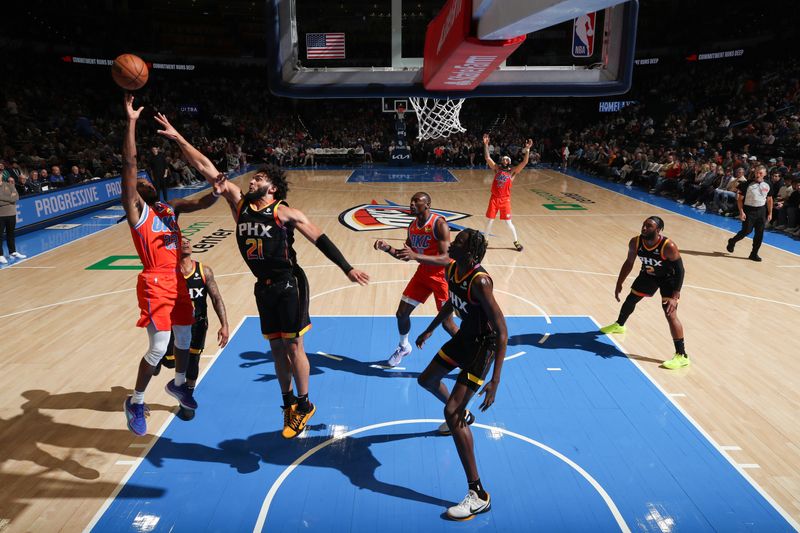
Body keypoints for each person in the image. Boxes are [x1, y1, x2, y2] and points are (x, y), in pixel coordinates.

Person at [154, 112, 370, 439]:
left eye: (258, 179)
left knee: (294, 346)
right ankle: (287, 406)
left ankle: (304, 402)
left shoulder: (285, 212)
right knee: (276, 350)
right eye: (252, 178)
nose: (251, 181)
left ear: (272, 187)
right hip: (263, 287)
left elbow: (320, 238)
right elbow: (206, 168)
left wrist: (347, 267)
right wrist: (178, 138)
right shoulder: (238, 204)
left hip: (289, 283)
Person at [120, 94, 223, 436]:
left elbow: (202, 202)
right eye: (140, 181)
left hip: (177, 281)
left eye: (147, 180)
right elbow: (131, 163)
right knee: (159, 347)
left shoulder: (169, 207)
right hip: (155, 282)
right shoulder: (138, 214)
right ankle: (135, 401)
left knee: (185, 334)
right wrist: (132, 121)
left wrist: (217, 191)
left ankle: (178, 384)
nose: (145, 180)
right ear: (134, 191)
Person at [414, 228, 507, 520]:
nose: (452, 244)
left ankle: (478, 494)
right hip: (464, 338)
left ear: (469, 252)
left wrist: (495, 381)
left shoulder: (481, 282)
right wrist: (431, 327)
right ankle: (461, 418)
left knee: (451, 410)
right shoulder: (454, 268)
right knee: (426, 379)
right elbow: (451, 305)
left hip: (483, 347)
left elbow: (503, 332)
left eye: (459, 242)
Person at [374, 192, 458, 367]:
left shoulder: (439, 224)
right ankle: (404, 346)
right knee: (401, 314)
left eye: (416, 202)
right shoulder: (412, 226)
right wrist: (387, 248)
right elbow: (406, 255)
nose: (411, 204)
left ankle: (469, 352)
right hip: (423, 274)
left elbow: (445, 259)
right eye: (411, 201)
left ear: (427, 205)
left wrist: (416, 255)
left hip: (442, 277)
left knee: (447, 324)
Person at [153, 237, 230, 421]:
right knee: (172, 362)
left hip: (197, 325)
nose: (186, 243)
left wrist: (224, 324)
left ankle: (186, 399)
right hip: (175, 324)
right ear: (175, 248)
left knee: (192, 363)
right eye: (182, 241)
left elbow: (216, 298)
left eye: (188, 241)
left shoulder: (204, 271)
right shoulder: (169, 272)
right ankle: (159, 358)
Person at [599, 216, 689, 369]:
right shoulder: (635, 242)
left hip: (669, 279)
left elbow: (680, 271)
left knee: (670, 314)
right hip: (648, 274)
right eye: (643, 225)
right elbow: (629, 262)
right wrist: (619, 282)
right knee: (631, 299)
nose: (644, 228)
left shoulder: (668, 246)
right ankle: (619, 325)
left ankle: (682, 356)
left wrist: (675, 296)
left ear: (658, 230)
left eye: (649, 226)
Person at [482, 133, 532, 252]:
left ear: (509, 162)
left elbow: (524, 162)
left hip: (505, 200)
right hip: (494, 198)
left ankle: (516, 242)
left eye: (506, 159)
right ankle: (485, 241)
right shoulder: (496, 169)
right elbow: (487, 158)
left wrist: (528, 150)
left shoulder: (513, 172)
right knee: (490, 221)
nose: (504, 160)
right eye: (503, 159)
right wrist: (486, 145)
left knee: (508, 223)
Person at [726, 165, 772, 262]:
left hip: (761, 211)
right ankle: (732, 241)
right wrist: (741, 212)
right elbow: (740, 200)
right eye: (756, 172)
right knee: (746, 231)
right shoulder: (747, 184)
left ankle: (754, 254)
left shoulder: (768, 184)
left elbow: (769, 200)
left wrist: (770, 213)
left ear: (765, 174)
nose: (758, 174)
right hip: (749, 210)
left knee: (759, 234)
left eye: (760, 173)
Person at [0, 175, 25, 264]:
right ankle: (0, 255)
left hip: (11, 214)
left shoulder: (9, 185)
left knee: (11, 234)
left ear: (1, 176)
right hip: (0, 215)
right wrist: (9, 199)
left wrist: (2, 198)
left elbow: (16, 197)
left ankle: (13, 252)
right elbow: (11, 199)